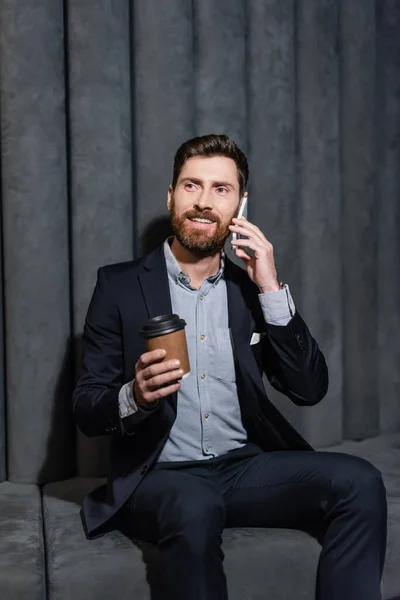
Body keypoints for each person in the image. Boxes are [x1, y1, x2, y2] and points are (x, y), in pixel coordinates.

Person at [73, 134, 387, 600]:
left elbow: (309, 388)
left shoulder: (251, 291)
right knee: (195, 504)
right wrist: (133, 395)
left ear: (240, 204)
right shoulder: (117, 285)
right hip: (161, 476)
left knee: (360, 480)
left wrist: (271, 287)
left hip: (241, 470)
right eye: (191, 186)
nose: (203, 202)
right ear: (171, 196)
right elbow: (85, 406)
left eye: (221, 189)